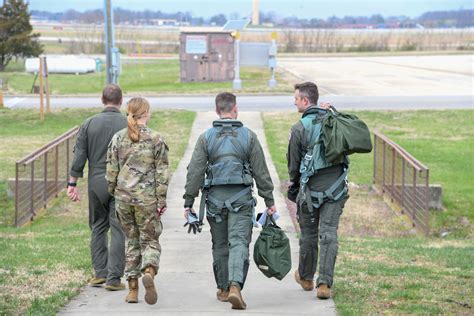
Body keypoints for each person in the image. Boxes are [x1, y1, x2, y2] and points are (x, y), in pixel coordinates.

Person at [183, 92, 276, 310]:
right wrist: (269, 200)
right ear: (235, 109)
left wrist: (189, 202)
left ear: (217, 111)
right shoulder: (249, 136)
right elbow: (261, 173)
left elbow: (195, 172)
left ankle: (223, 289)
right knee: (239, 242)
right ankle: (236, 286)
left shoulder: (206, 137)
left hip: (215, 201)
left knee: (220, 244)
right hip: (242, 199)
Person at [287, 82, 349, 299]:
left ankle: (305, 277)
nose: (294, 101)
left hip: (310, 191)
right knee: (329, 233)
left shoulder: (298, 128)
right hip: (337, 188)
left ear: (305, 101)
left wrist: (294, 186)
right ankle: (324, 285)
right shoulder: (333, 121)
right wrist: (333, 111)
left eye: (296, 98)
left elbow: (293, 166)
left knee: (309, 234)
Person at [106, 97, 168, 305]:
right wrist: (161, 200)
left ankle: (132, 289)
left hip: (123, 199)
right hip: (146, 200)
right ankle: (149, 269)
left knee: (131, 241)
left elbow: (111, 171)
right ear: (146, 113)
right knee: (149, 240)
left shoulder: (118, 138)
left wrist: (113, 191)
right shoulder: (156, 139)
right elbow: (162, 173)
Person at [67, 84, 126, 291]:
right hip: (121, 182)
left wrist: (72, 183)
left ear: (102, 100)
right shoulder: (129, 123)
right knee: (118, 229)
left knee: (98, 226)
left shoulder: (89, 123)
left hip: (96, 182)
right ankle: (114, 279)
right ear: (121, 101)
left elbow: (79, 157)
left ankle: (100, 273)